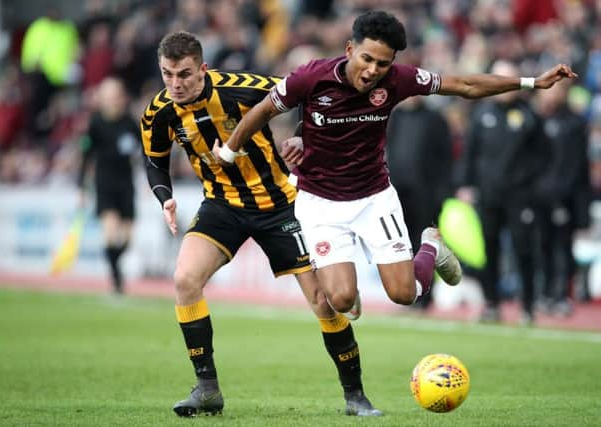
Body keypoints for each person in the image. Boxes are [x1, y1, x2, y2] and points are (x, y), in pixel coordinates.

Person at [218, 11, 576, 324]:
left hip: (374, 196)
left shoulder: (398, 80)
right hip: (320, 202)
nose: (373, 70)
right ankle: (347, 289)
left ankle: (431, 246)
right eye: (367, 59)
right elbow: (264, 110)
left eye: (383, 63)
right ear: (349, 50)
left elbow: (462, 84)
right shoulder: (310, 78)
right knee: (340, 300)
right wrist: (228, 153)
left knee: (404, 294)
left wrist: (531, 82)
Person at [141, 31, 380, 418]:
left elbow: (308, 93)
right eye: (167, 74)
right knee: (185, 278)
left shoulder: (241, 87)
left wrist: (302, 136)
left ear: (203, 68)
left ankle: (355, 396)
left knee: (325, 301)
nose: (175, 84)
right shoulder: (160, 110)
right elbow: (154, 159)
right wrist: (164, 195)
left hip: (281, 203)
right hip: (222, 206)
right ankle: (207, 389)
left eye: (184, 74)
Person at [456, 60, 552, 325]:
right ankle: (491, 304)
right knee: (489, 250)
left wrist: (532, 185)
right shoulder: (481, 114)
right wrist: (465, 184)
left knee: (524, 249)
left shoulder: (529, 116)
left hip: (520, 196)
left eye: (508, 79)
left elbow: (544, 156)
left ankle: (528, 306)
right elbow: (469, 154)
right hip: (488, 195)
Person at [386, 95, 454, 310]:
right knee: (400, 244)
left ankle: (424, 295)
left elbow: (446, 158)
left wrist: (442, 192)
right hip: (397, 192)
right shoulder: (395, 116)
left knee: (425, 244)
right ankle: (405, 293)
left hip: (427, 193)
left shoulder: (435, 119)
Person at [533, 79, 592, 316]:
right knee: (541, 245)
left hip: (563, 198)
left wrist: (578, 204)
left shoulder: (573, 124)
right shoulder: (536, 121)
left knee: (562, 247)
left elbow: (578, 166)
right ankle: (544, 293)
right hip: (538, 197)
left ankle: (561, 295)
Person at [78, 76, 139, 294]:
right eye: (108, 96)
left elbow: (143, 151)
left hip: (127, 183)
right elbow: (86, 155)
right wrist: (81, 188)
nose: (112, 100)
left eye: (115, 96)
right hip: (105, 182)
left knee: (127, 240)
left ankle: (114, 266)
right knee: (111, 232)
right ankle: (116, 279)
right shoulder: (95, 123)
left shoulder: (130, 122)